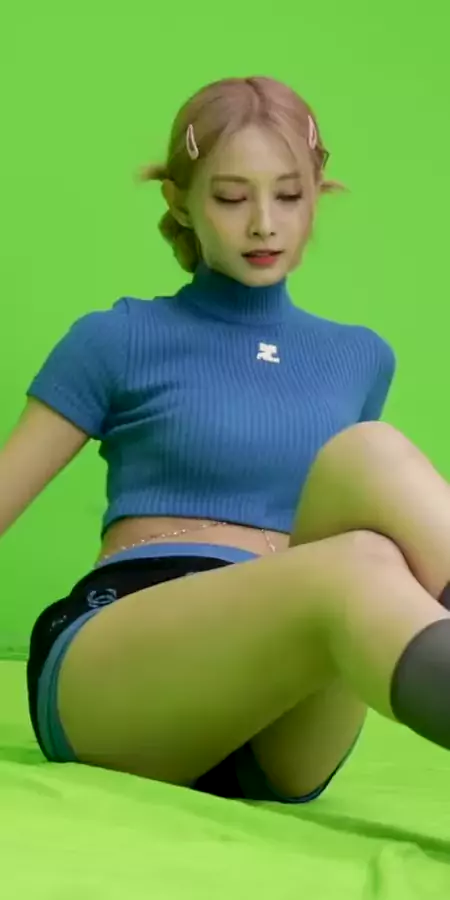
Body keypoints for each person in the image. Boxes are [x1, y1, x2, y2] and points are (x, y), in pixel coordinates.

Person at [3, 74, 450, 804]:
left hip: (285, 712)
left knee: (370, 461)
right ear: (180, 201)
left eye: (289, 196)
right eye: (232, 197)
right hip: (122, 672)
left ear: (318, 196)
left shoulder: (361, 357)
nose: (264, 225)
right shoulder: (117, 339)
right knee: (356, 562)